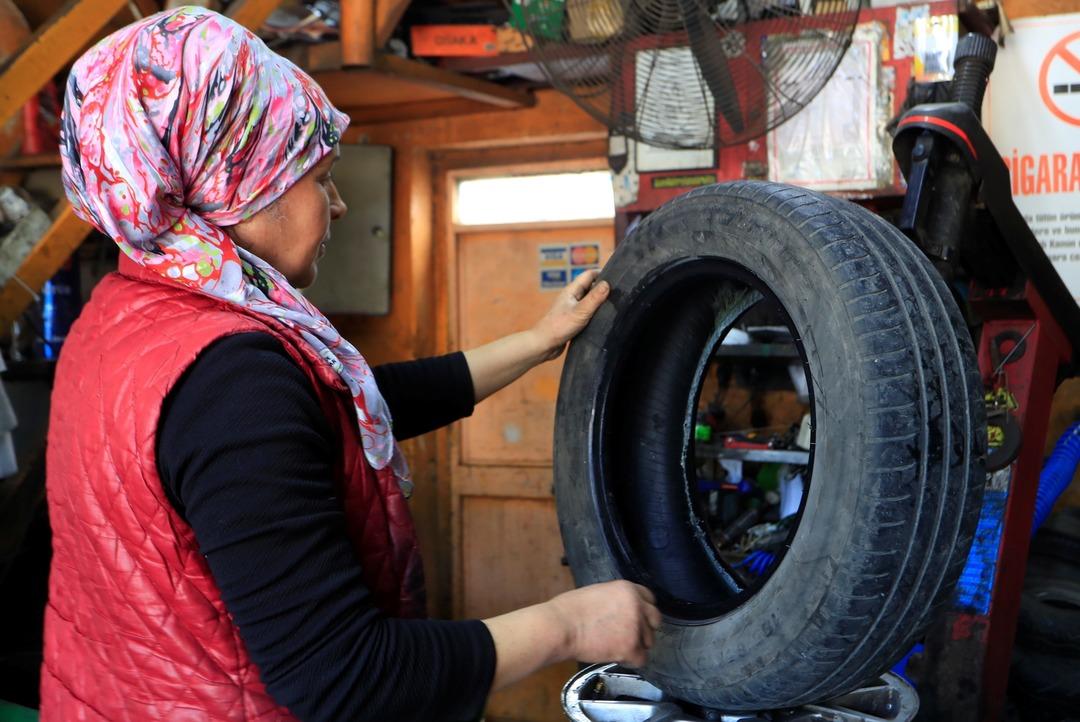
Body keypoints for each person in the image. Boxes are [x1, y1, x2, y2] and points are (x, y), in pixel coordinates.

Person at [42, 7, 659, 722]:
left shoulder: (126, 314)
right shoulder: (234, 380)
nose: (336, 205)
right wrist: (571, 624)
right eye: (318, 176)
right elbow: (342, 678)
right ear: (243, 184)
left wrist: (537, 340)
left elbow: (332, 410)